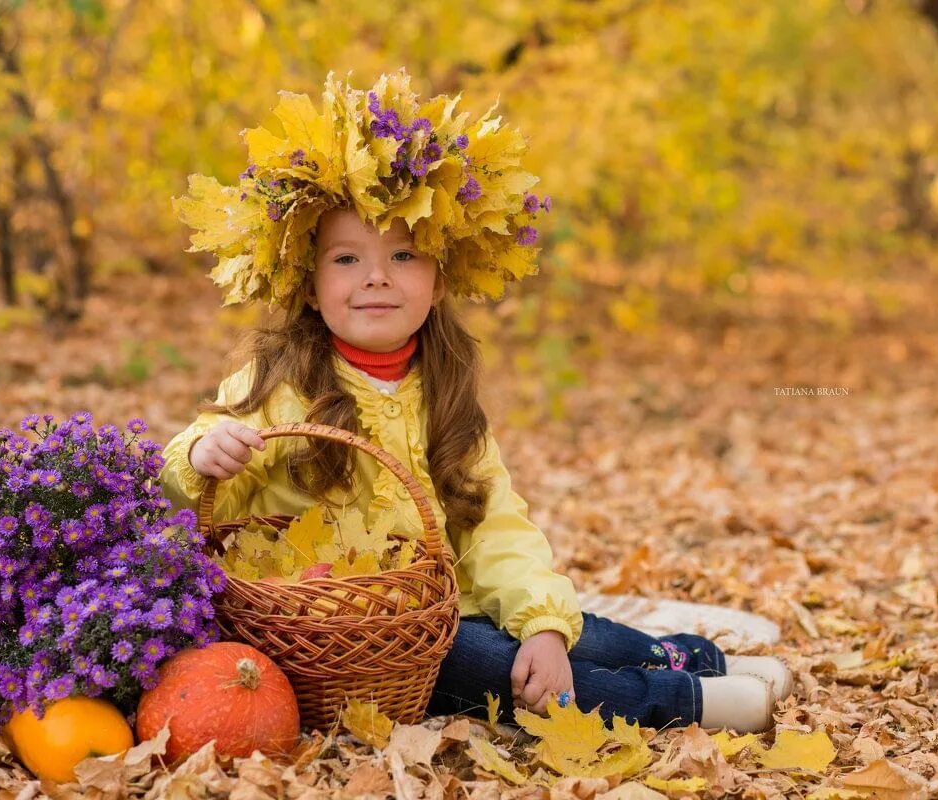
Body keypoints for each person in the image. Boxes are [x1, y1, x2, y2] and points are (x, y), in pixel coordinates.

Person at [159, 69, 792, 733]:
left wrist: (544, 623)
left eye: (403, 255)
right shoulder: (277, 382)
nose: (376, 275)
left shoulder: (444, 390)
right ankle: (684, 702)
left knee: (571, 635)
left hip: (444, 602)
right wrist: (203, 456)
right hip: (339, 633)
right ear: (310, 286)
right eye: (346, 259)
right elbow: (191, 488)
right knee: (491, 667)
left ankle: (690, 659)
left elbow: (495, 527)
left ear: (438, 282)